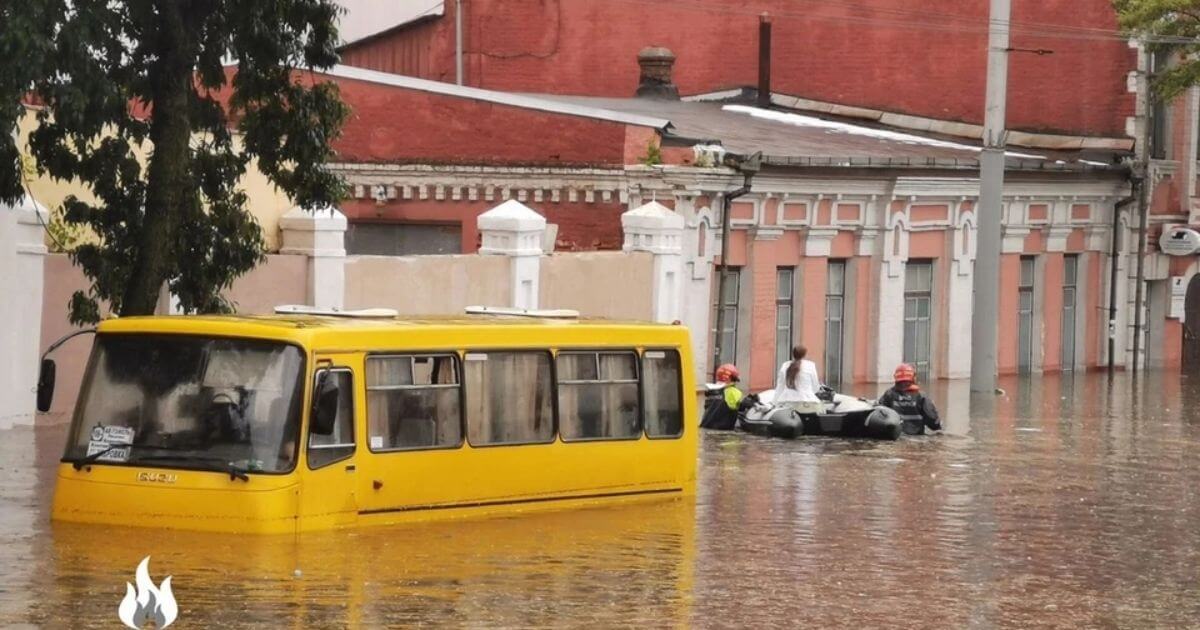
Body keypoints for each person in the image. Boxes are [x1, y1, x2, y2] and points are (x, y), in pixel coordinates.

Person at [877, 363, 941, 435]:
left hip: (895, 437)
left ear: (896, 377)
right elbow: (933, 421)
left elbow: (880, 413)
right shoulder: (921, 396)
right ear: (913, 377)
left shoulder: (889, 394)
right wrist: (938, 427)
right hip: (916, 438)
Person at [774, 345, 823, 415]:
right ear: (805, 354)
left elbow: (780, 387)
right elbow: (815, 387)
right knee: (823, 410)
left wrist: (775, 403)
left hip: (787, 402)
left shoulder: (785, 365)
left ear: (793, 354)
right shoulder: (810, 365)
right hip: (807, 403)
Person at [700, 363, 744, 430]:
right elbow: (742, 405)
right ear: (733, 377)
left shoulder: (711, 390)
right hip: (724, 434)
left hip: (705, 429)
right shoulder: (734, 392)